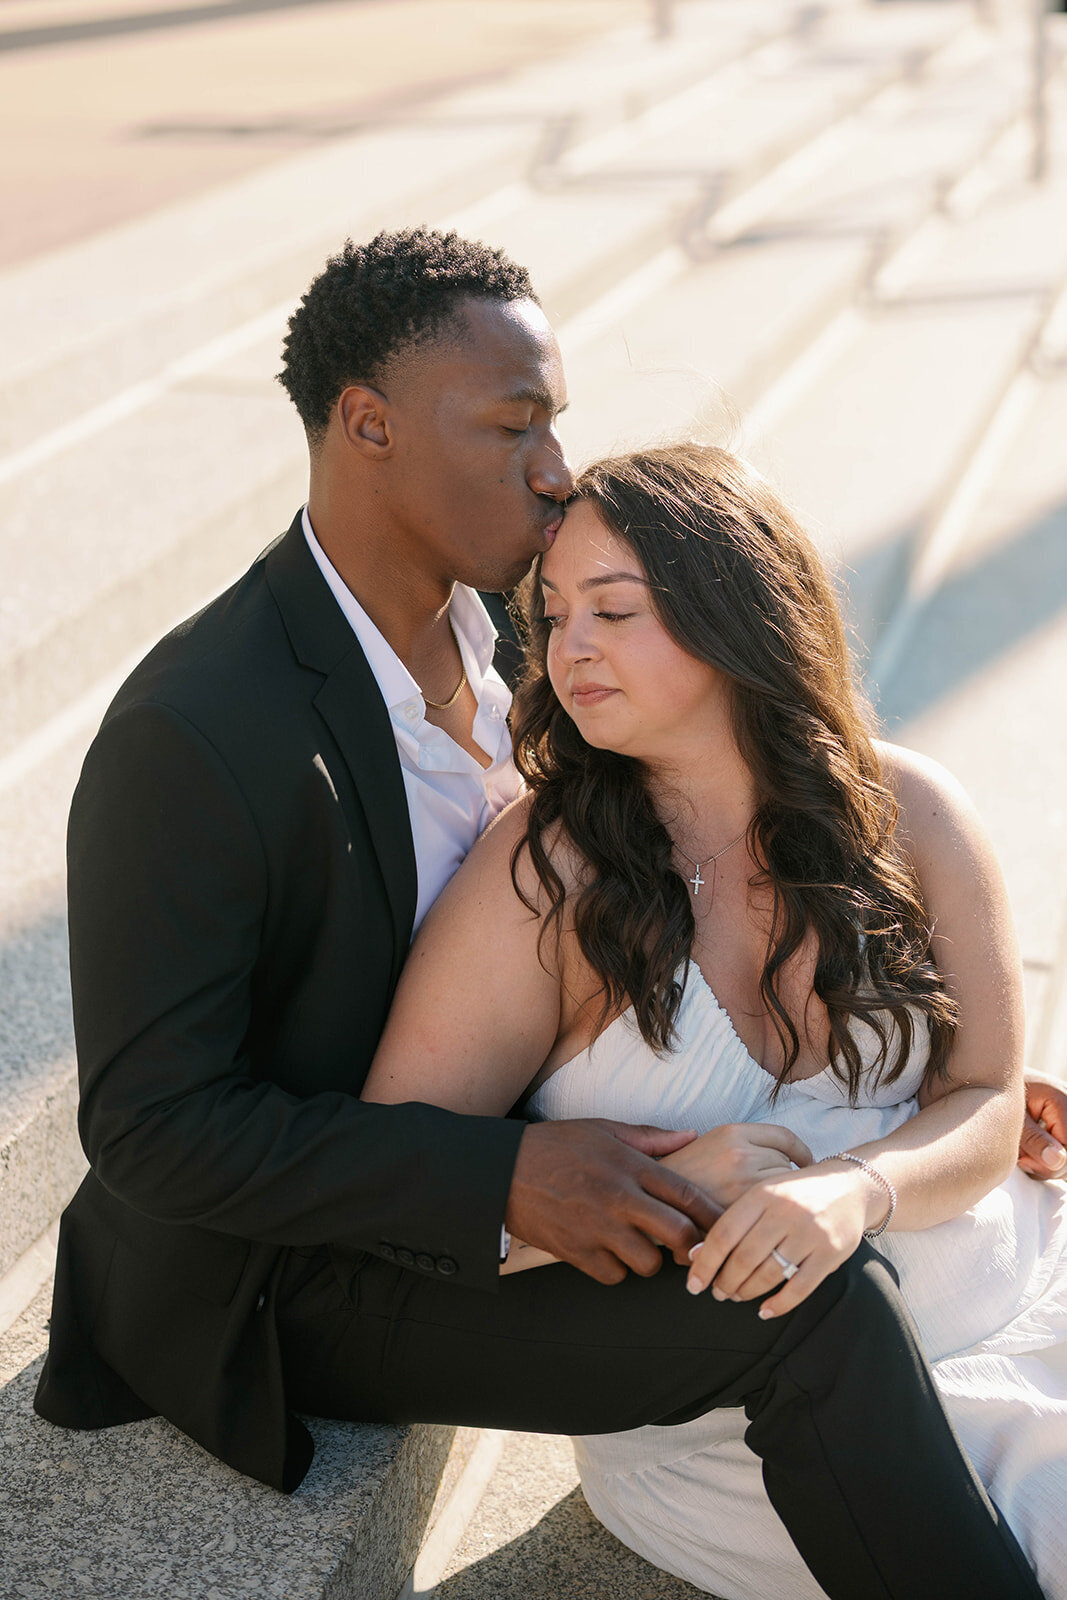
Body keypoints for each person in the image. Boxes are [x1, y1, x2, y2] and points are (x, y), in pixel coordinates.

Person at [33, 227, 1059, 1599]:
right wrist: (508, 1181)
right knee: (806, 1310)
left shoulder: (523, 623)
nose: (553, 465)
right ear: (370, 425)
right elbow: (150, 1127)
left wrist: (922, 1082)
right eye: (513, 423)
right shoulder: (200, 731)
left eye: (554, 421)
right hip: (302, 1267)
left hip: (543, 1145)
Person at [362, 440, 1067, 1599]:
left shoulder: (908, 809)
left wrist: (855, 1185)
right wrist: (657, 1189)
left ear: (735, 610)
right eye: (551, 613)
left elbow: (987, 1097)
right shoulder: (547, 874)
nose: (568, 644)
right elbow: (399, 1178)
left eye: (613, 608)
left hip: (1018, 1285)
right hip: (751, 1427)